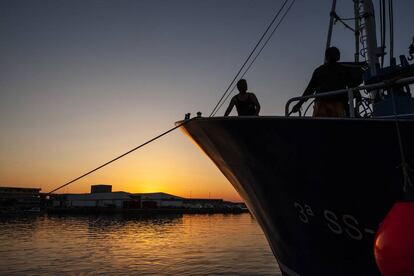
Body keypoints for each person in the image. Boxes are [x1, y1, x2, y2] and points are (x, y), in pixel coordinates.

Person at [292, 47, 353, 117]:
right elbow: (352, 87)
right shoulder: (344, 70)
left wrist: (299, 104)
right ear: (338, 56)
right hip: (333, 105)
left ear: (327, 56)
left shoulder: (319, 70)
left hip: (323, 104)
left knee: (320, 126)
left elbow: (309, 89)